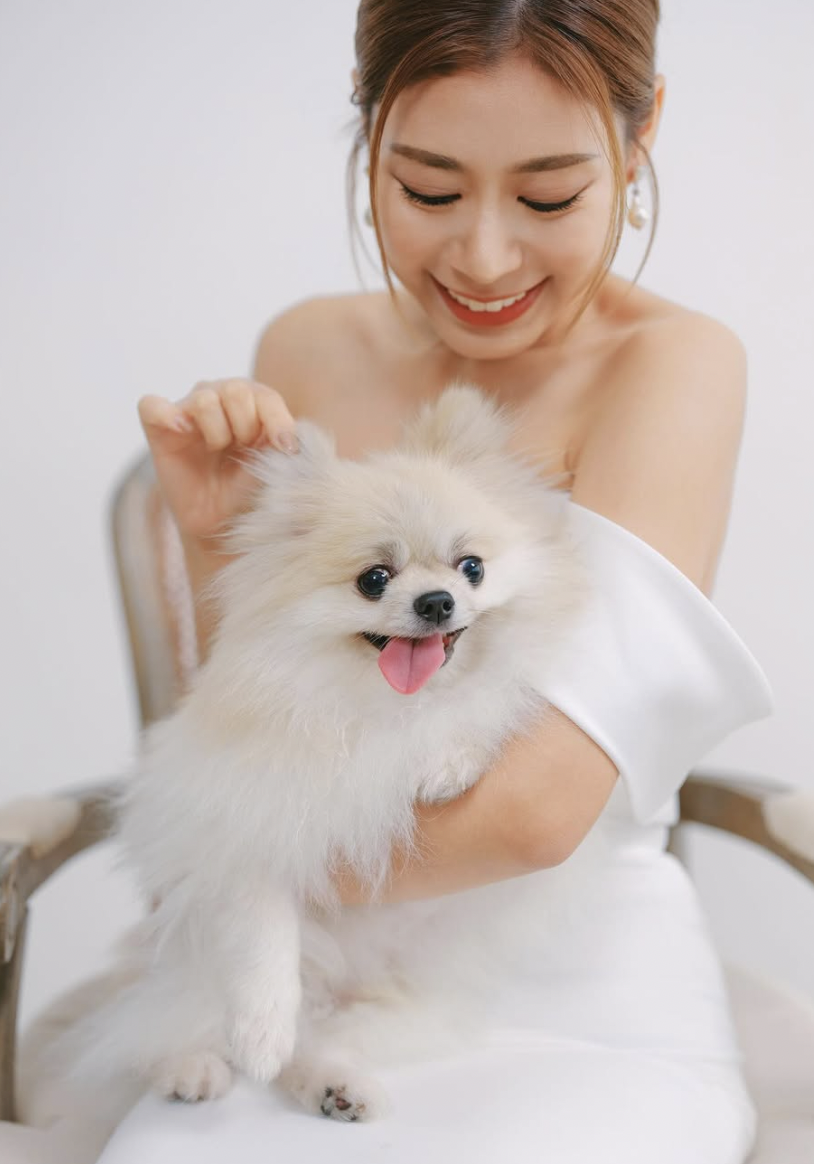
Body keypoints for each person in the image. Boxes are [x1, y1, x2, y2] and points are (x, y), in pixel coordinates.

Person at [107, 2, 772, 1160]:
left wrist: (238, 869)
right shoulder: (305, 346)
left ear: (642, 131)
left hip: (555, 962)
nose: (483, 258)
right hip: (289, 968)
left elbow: (528, 818)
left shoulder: (671, 365)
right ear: (365, 129)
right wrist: (223, 548)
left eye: (548, 197)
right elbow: (262, 726)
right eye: (427, 188)